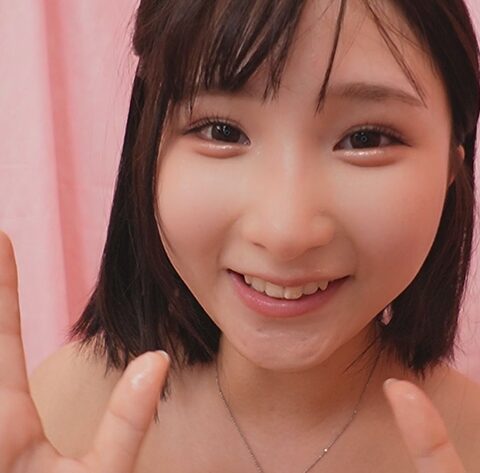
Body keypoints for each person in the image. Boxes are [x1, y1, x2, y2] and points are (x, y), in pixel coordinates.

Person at [1, 0, 480, 471]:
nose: (285, 232)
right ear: (149, 144)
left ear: (451, 164)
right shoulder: (60, 415)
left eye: (366, 139)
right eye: (222, 131)